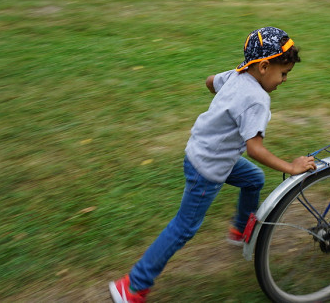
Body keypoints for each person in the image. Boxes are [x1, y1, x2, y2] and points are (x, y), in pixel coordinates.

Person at [109, 26, 316, 303]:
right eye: (284, 73)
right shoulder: (257, 100)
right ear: (265, 67)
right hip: (208, 168)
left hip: (202, 150)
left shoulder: (237, 74)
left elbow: (210, 81)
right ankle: (132, 286)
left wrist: (224, 109)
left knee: (253, 179)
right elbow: (255, 149)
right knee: (184, 228)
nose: (285, 80)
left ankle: (241, 230)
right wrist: (290, 167)